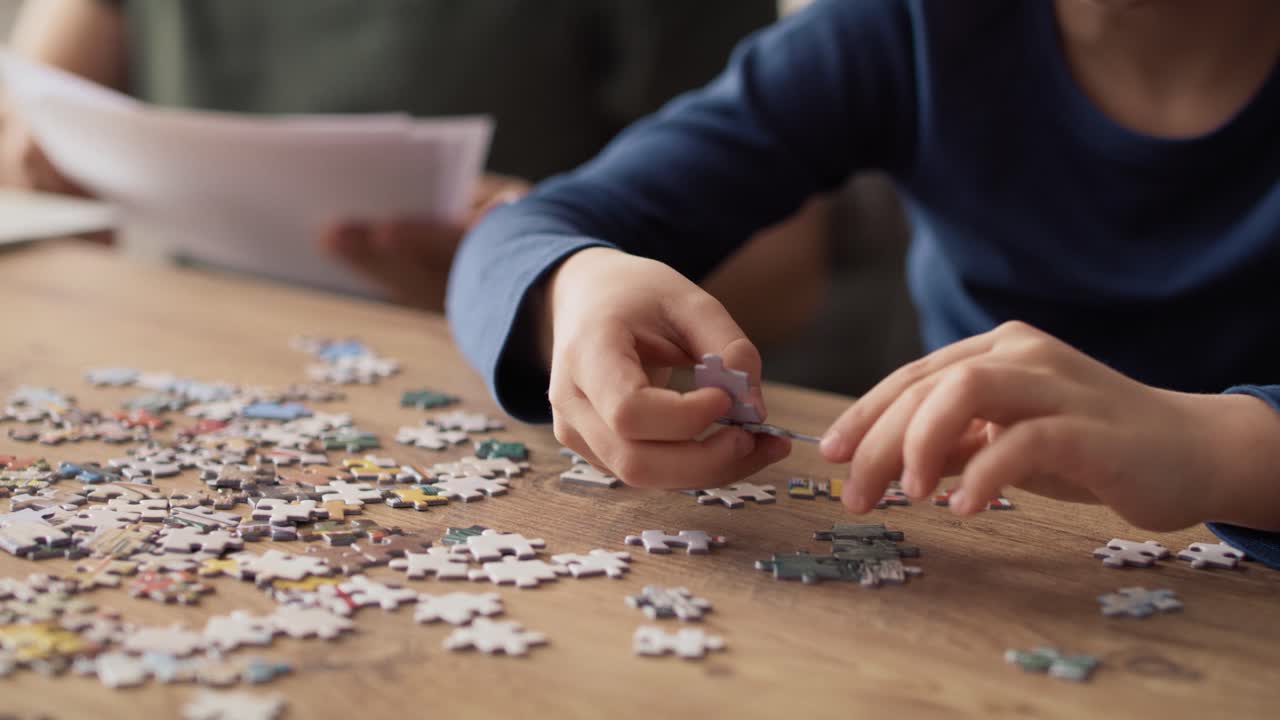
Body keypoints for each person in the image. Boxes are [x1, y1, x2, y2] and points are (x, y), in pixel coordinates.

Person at [447, 0, 1280, 568]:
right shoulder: (907, 25)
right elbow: (521, 234)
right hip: (997, 563)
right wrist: (575, 287)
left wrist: (1219, 451)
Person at [0, 0, 829, 350]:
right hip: (183, 355)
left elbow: (786, 275)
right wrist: (42, 155)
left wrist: (525, 276)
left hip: (491, 387)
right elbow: (25, 127)